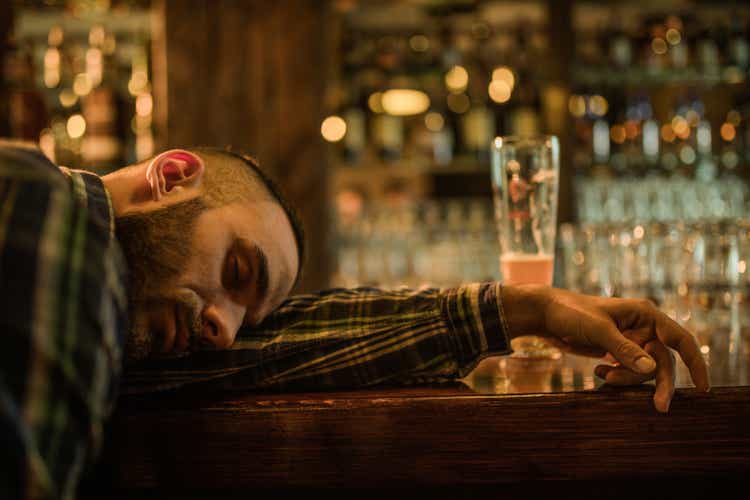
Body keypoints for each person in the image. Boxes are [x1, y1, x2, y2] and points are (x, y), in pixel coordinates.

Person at [0, 141, 710, 499]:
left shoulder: (117, 329)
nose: (223, 330)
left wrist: (524, 309)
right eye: (238, 274)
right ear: (172, 174)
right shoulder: (52, 216)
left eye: (244, 317)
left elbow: (280, 349)